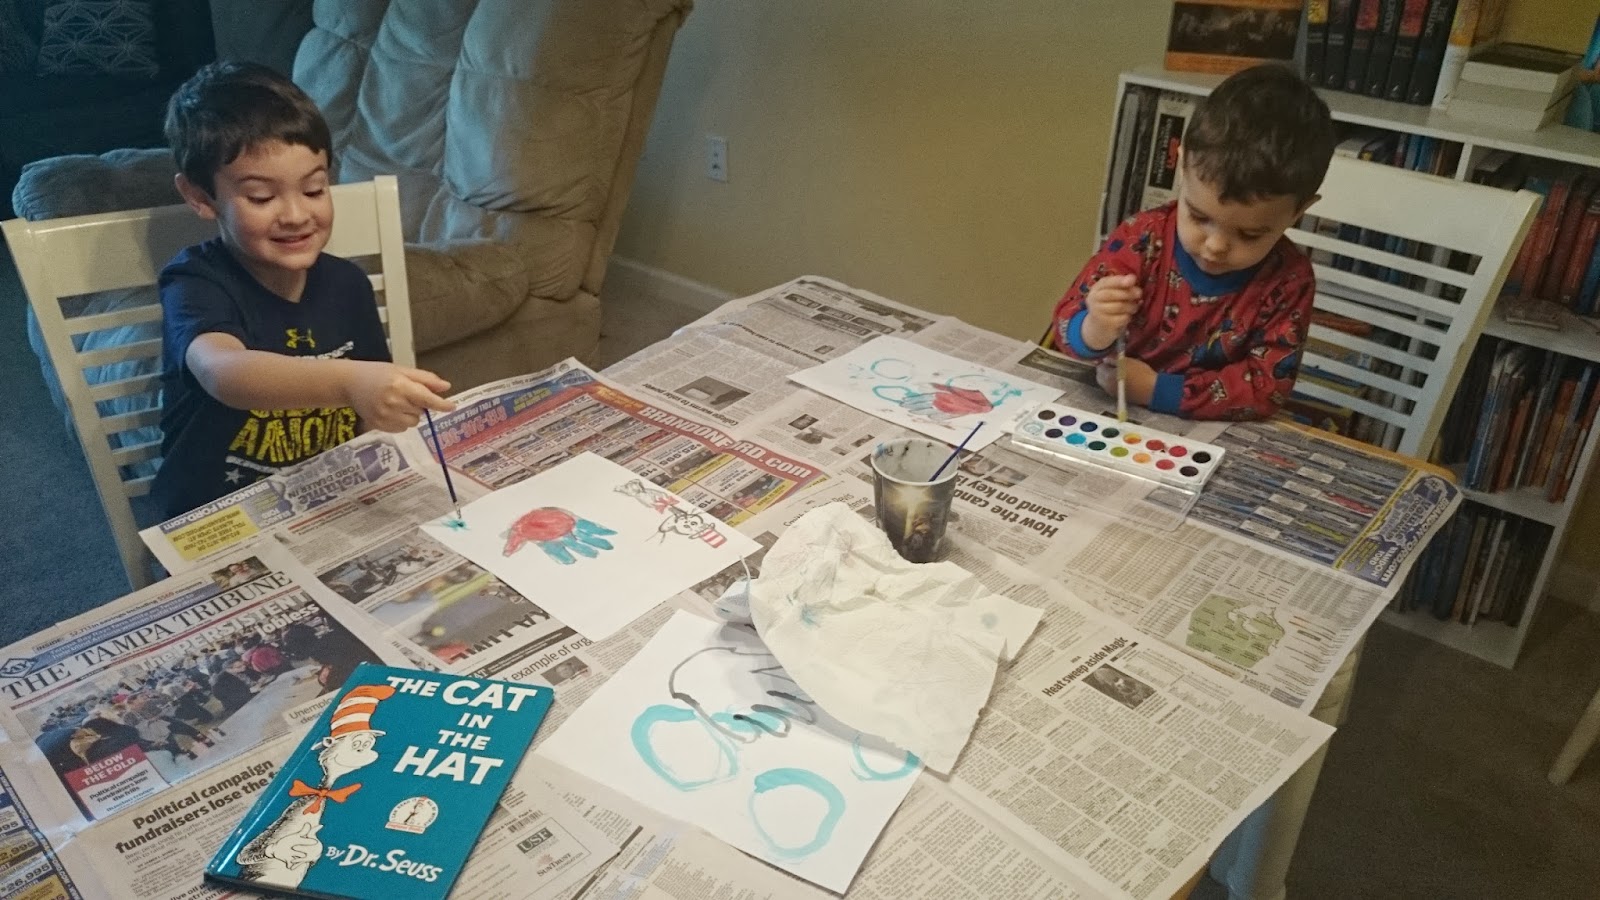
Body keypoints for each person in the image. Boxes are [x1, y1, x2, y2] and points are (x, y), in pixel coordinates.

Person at [151, 61, 456, 517]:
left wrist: (386, 409)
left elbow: (367, 413)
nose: (296, 216)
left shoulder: (348, 284)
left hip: (324, 500)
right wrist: (351, 382)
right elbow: (223, 372)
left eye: (314, 189)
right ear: (200, 196)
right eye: (261, 197)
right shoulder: (196, 281)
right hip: (216, 515)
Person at [1049, 64, 1337, 420]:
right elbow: (1065, 326)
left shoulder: (1289, 281)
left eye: (1249, 234)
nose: (1215, 246)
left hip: (1204, 432)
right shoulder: (1142, 238)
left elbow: (1267, 387)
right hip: (1110, 411)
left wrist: (1157, 390)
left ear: (1299, 211)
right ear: (1181, 164)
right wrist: (1094, 328)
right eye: (1199, 216)